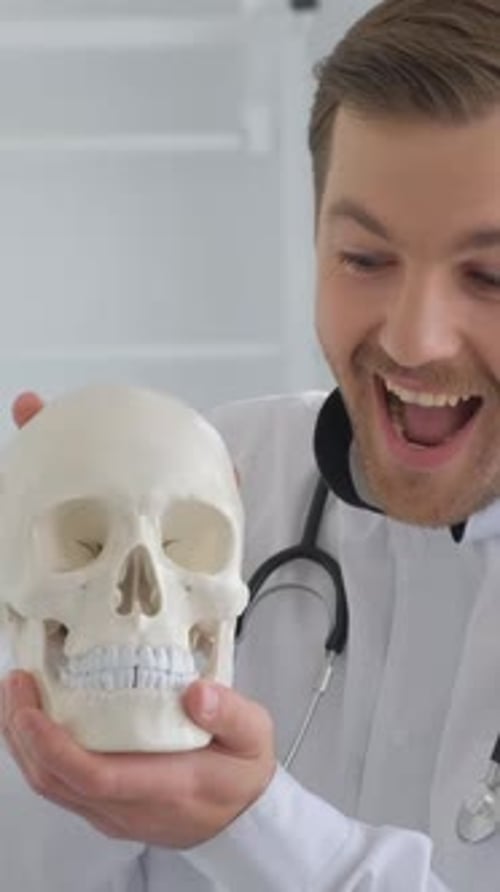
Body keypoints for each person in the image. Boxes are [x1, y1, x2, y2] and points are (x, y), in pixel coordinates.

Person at [2, 0, 500, 887]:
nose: (417, 338)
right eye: (364, 258)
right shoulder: (230, 477)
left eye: (490, 276)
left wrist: (253, 826)